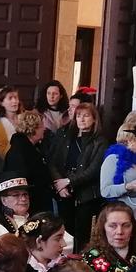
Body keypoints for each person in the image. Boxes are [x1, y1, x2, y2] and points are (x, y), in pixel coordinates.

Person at [50, 101, 105, 251]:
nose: (81, 119)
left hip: (86, 194)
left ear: (94, 119)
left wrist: (68, 181)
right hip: (64, 191)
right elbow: (53, 163)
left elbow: (94, 170)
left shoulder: (99, 141)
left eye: (86, 116)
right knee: (64, 232)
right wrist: (59, 185)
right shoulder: (67, 137)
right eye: (79, 115)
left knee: (82, 235)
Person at [3, 109, 53, 214]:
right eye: (41, 126)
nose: (44, 129)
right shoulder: (21, 151)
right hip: (30, 205)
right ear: (33, 129)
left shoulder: (31, 147)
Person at [0, 174, 31, 242]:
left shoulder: (37, 220)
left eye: (25, 194)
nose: (23, 199)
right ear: (4, 201)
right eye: (16, 195)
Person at [0, 86, 23, 164]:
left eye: (16, 98)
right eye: (10, 98)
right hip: (11, 164)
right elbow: (3, 154)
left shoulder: (24, 118)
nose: (14, 101)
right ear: (1, 103)